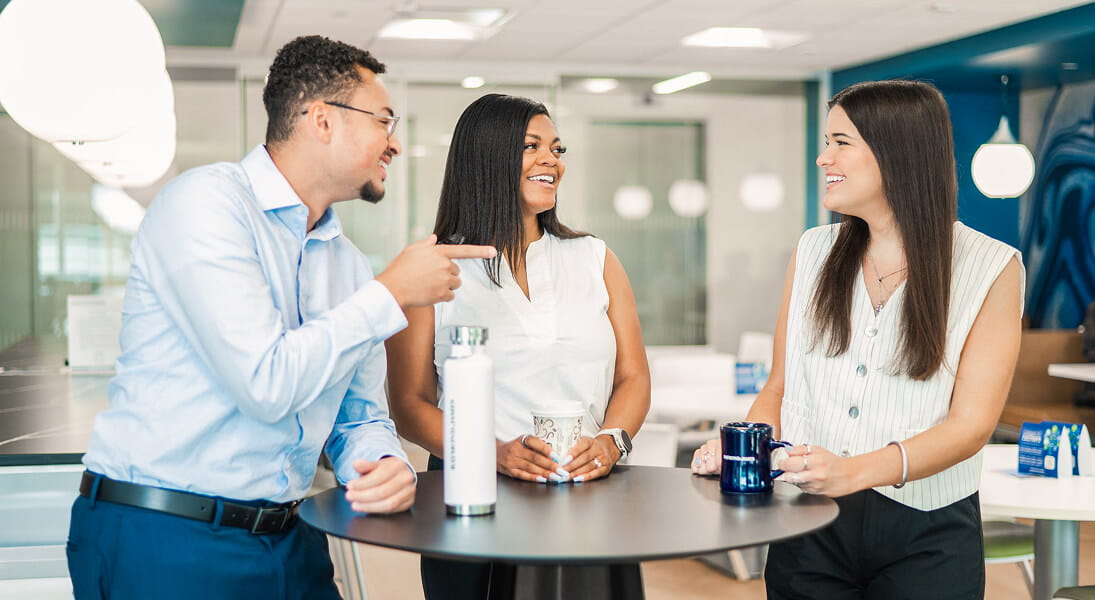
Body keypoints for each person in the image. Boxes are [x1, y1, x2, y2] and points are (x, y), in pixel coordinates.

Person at [66, 35, 496, 600]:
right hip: (167, 536)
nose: (394, 143)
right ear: (322, 120)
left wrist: (384, 461)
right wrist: (391, 293)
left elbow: (356, 416)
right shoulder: (204, 205)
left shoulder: (346, 263)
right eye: (383, 121)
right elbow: (266, 382)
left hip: (291, 538)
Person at [691, 79, 1024, 599]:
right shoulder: (814, 251)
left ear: (898, 153)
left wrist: (854, 472)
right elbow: (780, 386)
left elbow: (972, 426)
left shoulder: (991, 266)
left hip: (929, 532)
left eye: (840, 143)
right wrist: (745, 449)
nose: (823, 159)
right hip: (808, 523)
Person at [384, 93, 650, 599]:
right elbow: (409, 406)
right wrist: (491, 454)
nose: (552, 160)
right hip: (471, 502)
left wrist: (612, 441)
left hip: (586, 499)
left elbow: (633, 376)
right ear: (486, 156)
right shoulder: (433, 267)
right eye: (532, 147)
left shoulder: (595, 258)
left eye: (557, 147)